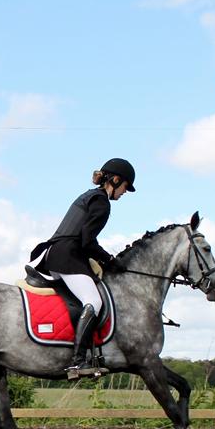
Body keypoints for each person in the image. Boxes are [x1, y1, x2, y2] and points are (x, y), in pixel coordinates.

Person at [27, 157, 135, 377]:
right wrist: (110, 260)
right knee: (93, 301)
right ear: (115, 180)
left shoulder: (88, 195)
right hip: (68, 255)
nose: (124, 192)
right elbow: (87, 241)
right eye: (125, 187)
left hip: (56, 254)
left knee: (85, 295)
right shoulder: (101, 202)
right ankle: (78, 362)